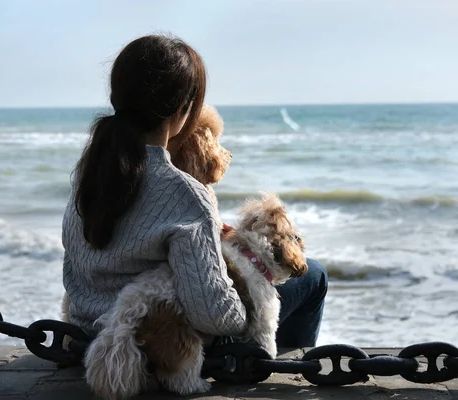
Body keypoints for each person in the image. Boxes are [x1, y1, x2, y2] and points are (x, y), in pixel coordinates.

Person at [62, 33, 327, 349]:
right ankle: (271, 364)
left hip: (85, 334)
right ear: (183, 109)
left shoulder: (89, 170)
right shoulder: (185, 193)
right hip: (158, 345)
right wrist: (255, 299)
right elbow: (215, 317)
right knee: (312, 276)